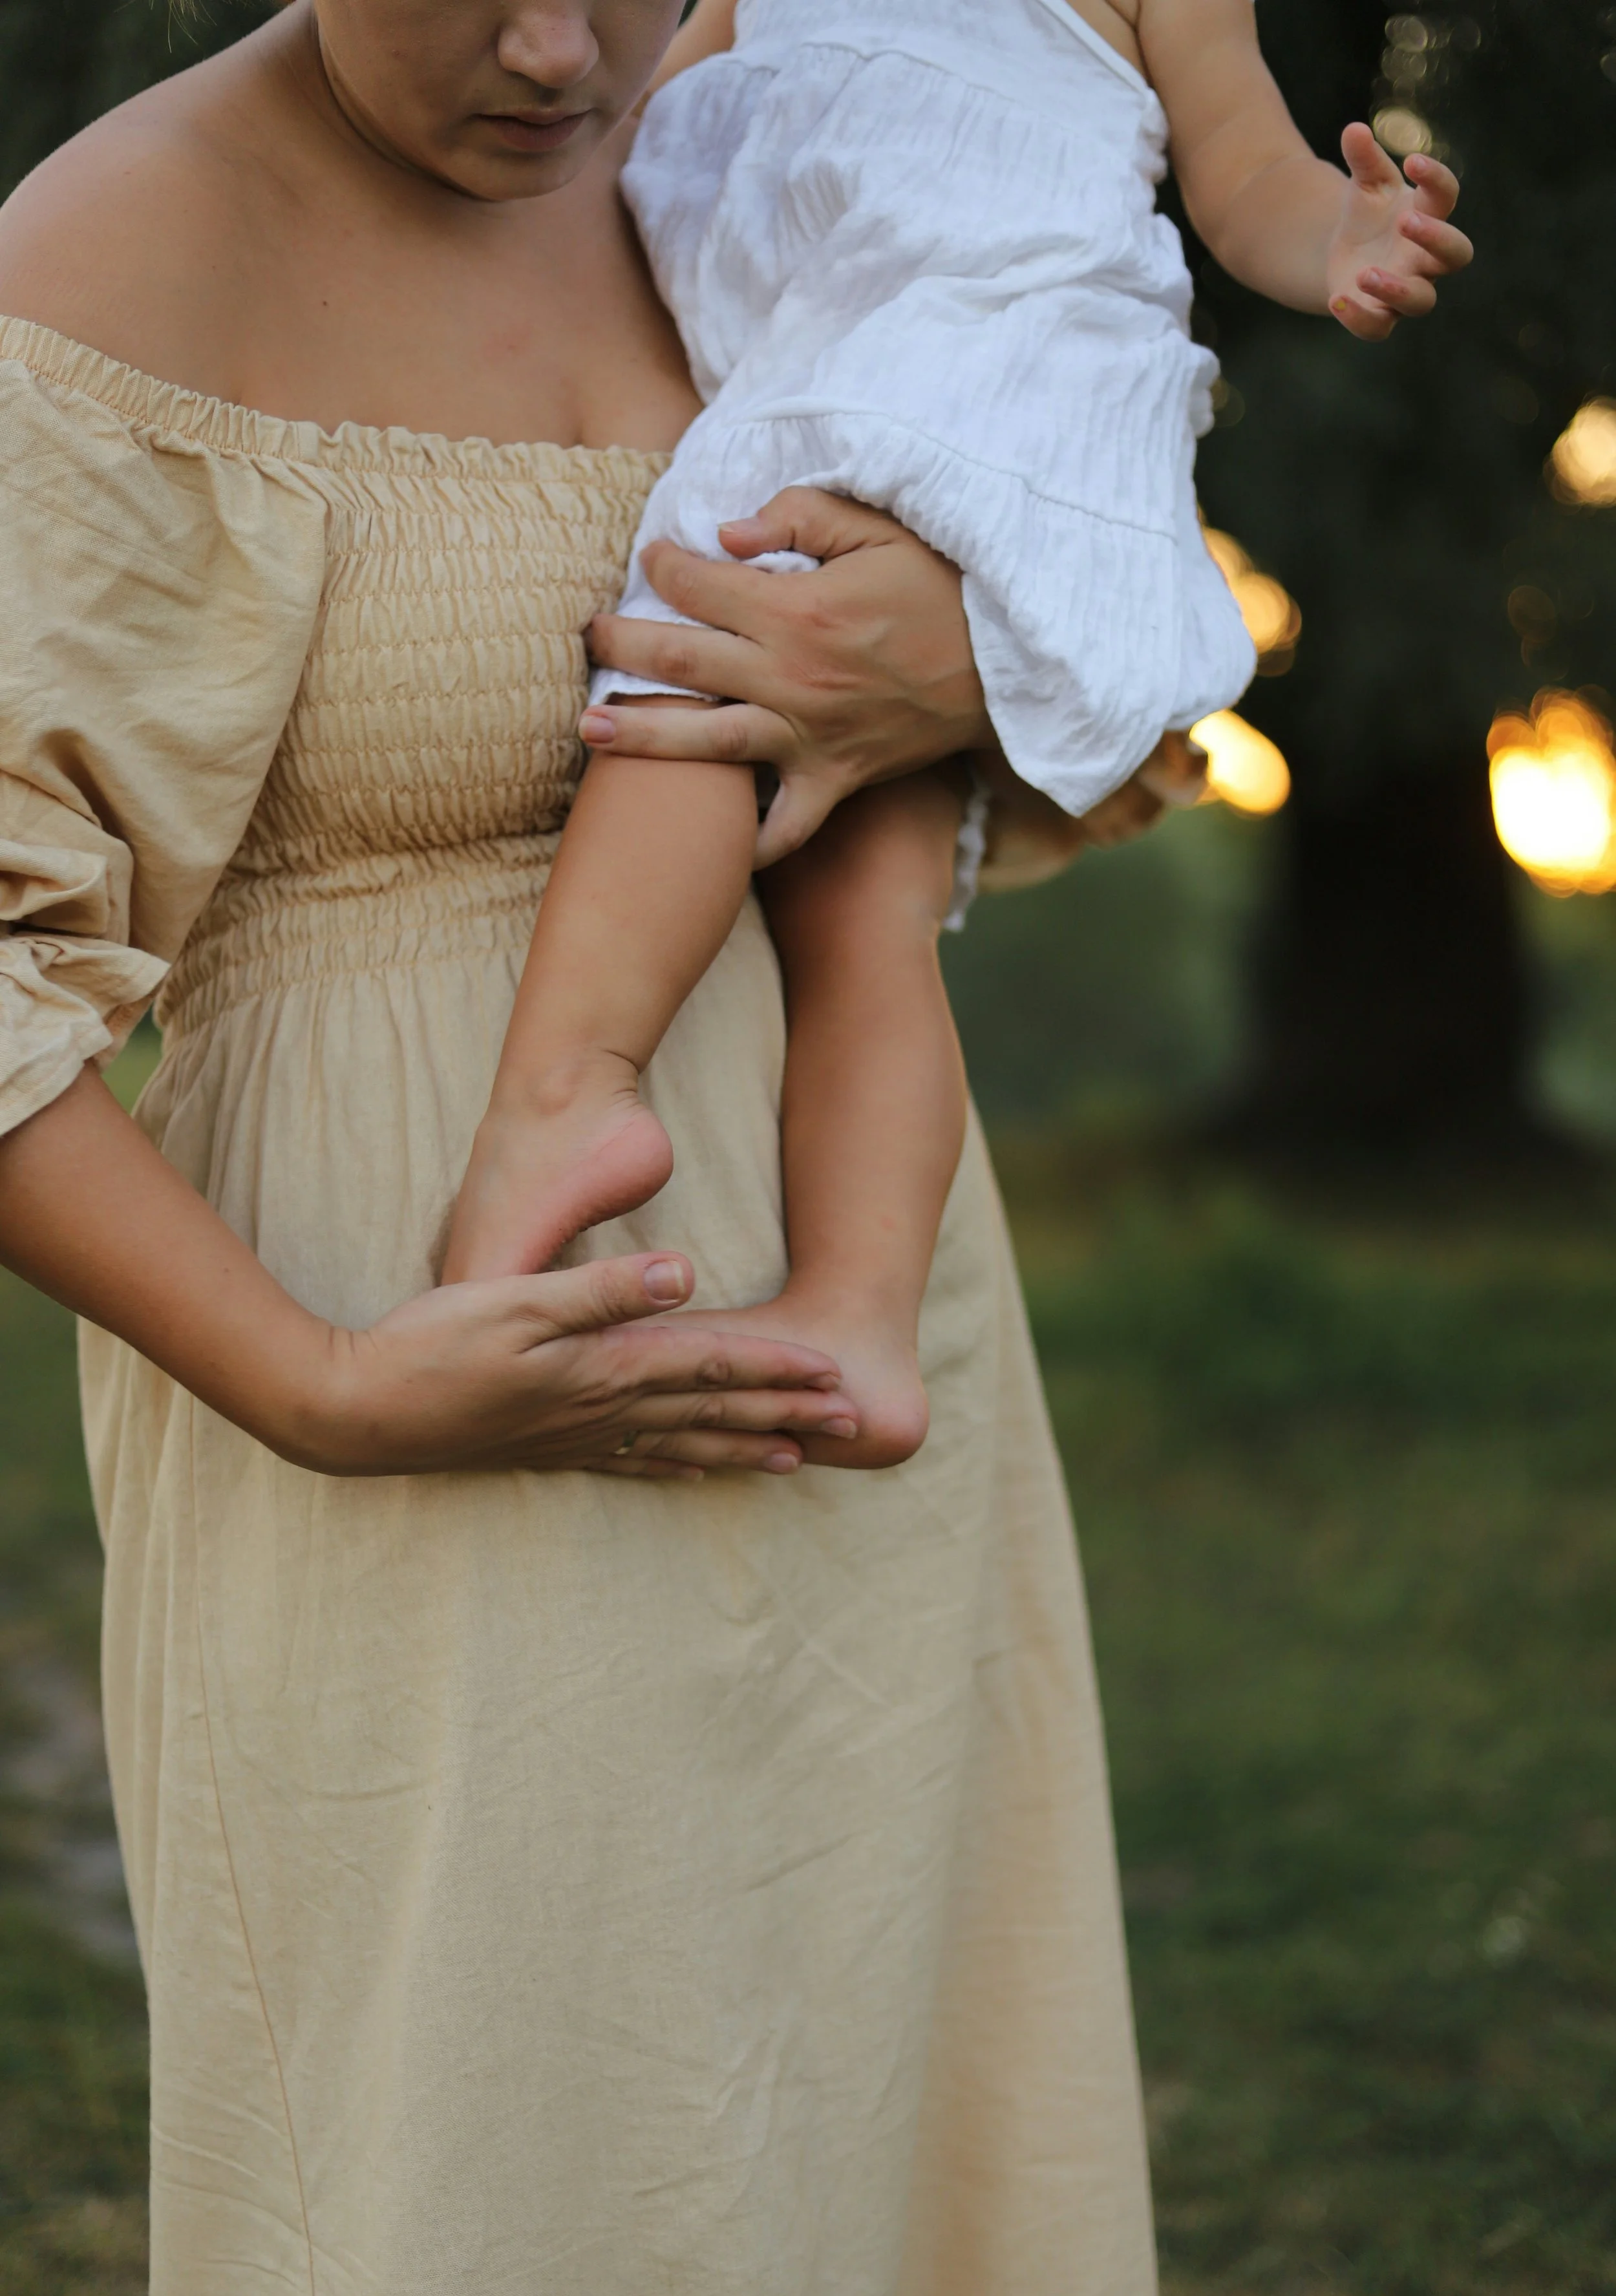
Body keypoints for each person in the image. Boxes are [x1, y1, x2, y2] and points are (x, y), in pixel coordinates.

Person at [0, 1, 1172, 2296]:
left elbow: (1083, 532)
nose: (567, 51)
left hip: (868, 1349)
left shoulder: (791, 112)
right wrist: (314, 1384)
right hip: (408, 1365)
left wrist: (953, 651)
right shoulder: (110, 261)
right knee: (491, 2227)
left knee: (884, 2174)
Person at [440, 0, 1473, 1467]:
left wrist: (1339, 241)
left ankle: (568, 1092)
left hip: (975, 372)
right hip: (834, 367)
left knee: (699, 688)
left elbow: (1244, 173)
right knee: (867, 897)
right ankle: (857, 1315)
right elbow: (619, 146)